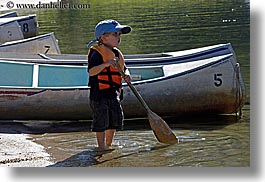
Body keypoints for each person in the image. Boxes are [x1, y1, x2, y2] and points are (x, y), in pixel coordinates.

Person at [87, 19, 132, 150]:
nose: (118, 38)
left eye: (119, 34)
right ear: (103, 37)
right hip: (99, 94)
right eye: (115, 34)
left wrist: (127, 74)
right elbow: (91, 72)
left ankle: (109, 145)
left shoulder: (116, 53)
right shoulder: (96, 53)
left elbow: (124, 68)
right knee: (101, 120)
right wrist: (106, 64)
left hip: (113, 92)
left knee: (114, 119)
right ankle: (101, 147)